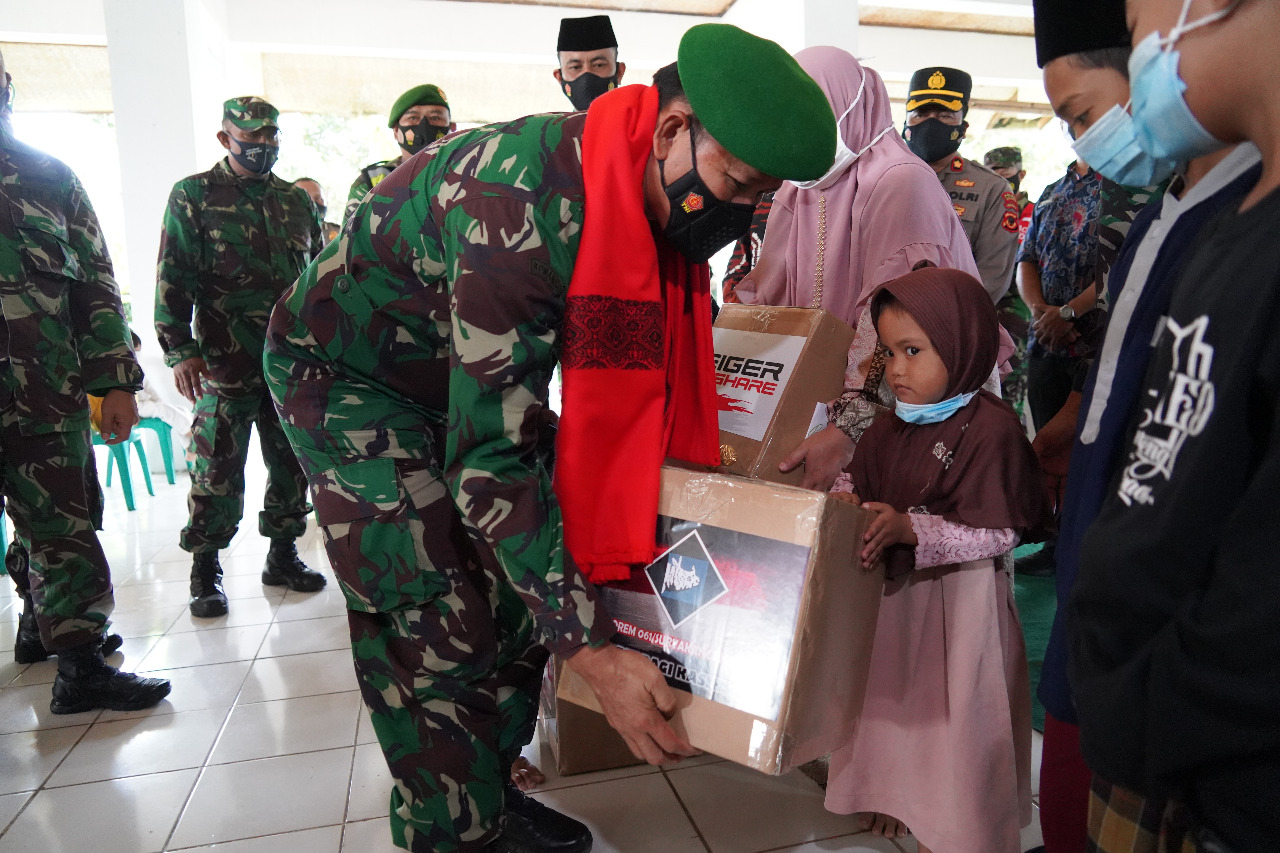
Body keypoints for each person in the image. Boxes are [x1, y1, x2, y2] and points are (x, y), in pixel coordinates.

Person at [264, 23, 836, 853]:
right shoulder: (520, 204)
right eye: (736, 183)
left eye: (761, 196)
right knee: (433, 607)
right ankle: (451, 832)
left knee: (523, 586)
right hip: (351, 380)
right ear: (674, 130)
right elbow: (492, 456)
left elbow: (606, 410)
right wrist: (595, 653)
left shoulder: (640, 210)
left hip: (458, 378)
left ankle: (486, 799)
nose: (742, 211)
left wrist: (575, 605)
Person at [1069, 0, 1280, 850]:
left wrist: (1142, 698)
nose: (1141, 40)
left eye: (1132, 18)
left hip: (1228, 781)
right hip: (1175, 768)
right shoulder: (1237, 228)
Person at [823, 267, 1052, 853]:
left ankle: (953, 823)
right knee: (893, 708)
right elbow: (855, 476)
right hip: (893, 607)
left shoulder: (991, 432)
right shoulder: (885, 427)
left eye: (913, 351)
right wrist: (846, 501)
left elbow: (1000, 532)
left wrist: (910, 529)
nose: (896, 369)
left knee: (954, 721)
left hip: (960, 609)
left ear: (961, 344)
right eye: (888, 352)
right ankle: (896, 797)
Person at [0, 48, 170, 713]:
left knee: (63, 525)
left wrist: (116, 381)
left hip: (42, 392)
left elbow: (96, 288)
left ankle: (78, 662)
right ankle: (36, 620)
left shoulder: (49, 177)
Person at [735, 46, 981, 492]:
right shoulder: (800, 187)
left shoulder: (899, 180)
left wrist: (849, 428)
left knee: (907, 537)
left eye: (812, 112)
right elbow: (766, 298)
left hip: (910, 396)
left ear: (849, 105)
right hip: (829, 394)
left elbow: (902, 324)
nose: (798, 130)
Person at [155, 96, 326, 620]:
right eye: (249, 140)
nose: (261, 148)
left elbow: (317, 280)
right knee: (216, 469)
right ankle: (206, 568)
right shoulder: (193, 195)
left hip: (289, 363)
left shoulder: (295, 202)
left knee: (292, 462)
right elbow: (173, 275)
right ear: (224, 138)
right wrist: (179, 349)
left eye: (269, 138)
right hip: (221, 363)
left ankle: (283, 554)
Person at [903, 67, 1022, 305]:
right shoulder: (879, 178)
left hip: (953, 322)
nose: (930, 124)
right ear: (905, 122)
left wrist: (946, 324)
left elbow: (992, 275)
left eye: (945, 115)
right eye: (920, 114)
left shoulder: (991, 188)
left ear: (963, 129)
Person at [344, 85, 455, 224]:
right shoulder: (371, 181)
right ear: (396, 131)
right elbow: (351, 242)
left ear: (452, 128)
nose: (424, 125)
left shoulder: (468, 173)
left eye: (436, 117)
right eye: (413, 117)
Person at [984, 145, 1036, 418]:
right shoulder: (985, 208)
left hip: (1017, 314)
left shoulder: (1034, 213)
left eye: (1006, 172)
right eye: (992, 171)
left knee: (1010, 392)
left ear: (1021, 174)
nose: (1000, 177)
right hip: (982, 308)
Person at [553, 14, 626, 111]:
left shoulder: (643, 124)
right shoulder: (550, 126)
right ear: (559, 77)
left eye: (599, 65)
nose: (587, 75)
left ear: (619, 72)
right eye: (575, 67)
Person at [293, 176, 335, 245]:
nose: (313, 204)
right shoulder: (282, 234)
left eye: (319, 198)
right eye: (306, 199)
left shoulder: (339, 235)